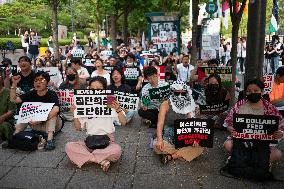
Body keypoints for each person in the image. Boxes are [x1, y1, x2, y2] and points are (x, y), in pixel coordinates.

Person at [65, 76, 126, 172]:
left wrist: (118, 109)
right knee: (69, 146)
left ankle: (87, 158)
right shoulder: (84, 103)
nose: (96, 91)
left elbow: (123, 122)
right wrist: (75, 114)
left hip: (107, 141)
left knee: (116, 150)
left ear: (105, 89)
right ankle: (100, 160)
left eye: (99, 89)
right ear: (88, 89)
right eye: (93, 89)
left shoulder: (111, 102)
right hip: (90, 141)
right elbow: (78, 128)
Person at [223, 79, 284, 162]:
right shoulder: (239, 106)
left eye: (256, 90)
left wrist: (280, 133)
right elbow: (228, 122)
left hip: (262, 144)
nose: (252, 93)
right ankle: (254, 160)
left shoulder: (270, 108)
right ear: (246, 93)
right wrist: (229, 128)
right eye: (249, 91)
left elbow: (281, 124)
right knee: (228, 145)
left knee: (278, 155)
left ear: (262, 92)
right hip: (242, 142)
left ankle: (243, 158)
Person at [153, 80, 203, 164]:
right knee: (156, 145)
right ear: (172, 92)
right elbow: (160, 123)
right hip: (168, 134)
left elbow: (191, 122)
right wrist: (160, 139)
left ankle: (170, 156)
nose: (180, 96)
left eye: (183, 93)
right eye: (177, 93)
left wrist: (195, 137)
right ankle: (182, 153)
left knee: (200, 147)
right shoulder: (165, 104)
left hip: (183, 134)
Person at [10, 71, 62, 150]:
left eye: (41, 80)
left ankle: (50, 140)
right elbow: (14, 100)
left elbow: (56, 109)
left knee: (53, 114)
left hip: (52, 125)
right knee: (25, 113)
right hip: (35, 125)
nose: (38, 82)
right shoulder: (31, 93)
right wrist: (14, 84)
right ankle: (15, 136)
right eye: (36, 80)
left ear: (47, 83)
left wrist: (40, 120)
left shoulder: (52, 94)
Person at [0, 69, 16, 142]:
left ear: (2, 78)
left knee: (4, 126)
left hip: (5, 121)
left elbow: (11, 111)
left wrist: (3, 117)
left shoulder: (8, 93)